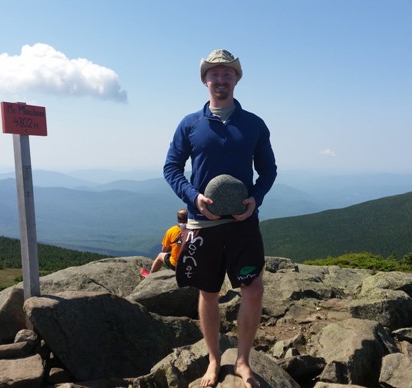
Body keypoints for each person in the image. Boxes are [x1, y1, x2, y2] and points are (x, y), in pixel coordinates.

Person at [163, 49, 277, 388]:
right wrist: (194, 196)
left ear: (236, 79)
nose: (221, 79)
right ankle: (214, 361)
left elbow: (268, 170)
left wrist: (255, 199)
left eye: (227, 73)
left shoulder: (254, 124)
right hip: (203, 224)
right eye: (214, 73)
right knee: (208, 292)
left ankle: (242, 360)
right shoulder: (190, 124)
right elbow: (171, 167)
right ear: (205, 80)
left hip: (243, 223)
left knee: (252, 289)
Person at [147, 209, 188, 274]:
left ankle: (150, 275)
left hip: (176, 265)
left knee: (160, 255)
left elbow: (164, 250)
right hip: (192, 264)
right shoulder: (195, 230)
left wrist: (174, 246)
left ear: (178, 219)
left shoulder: (172, 231)